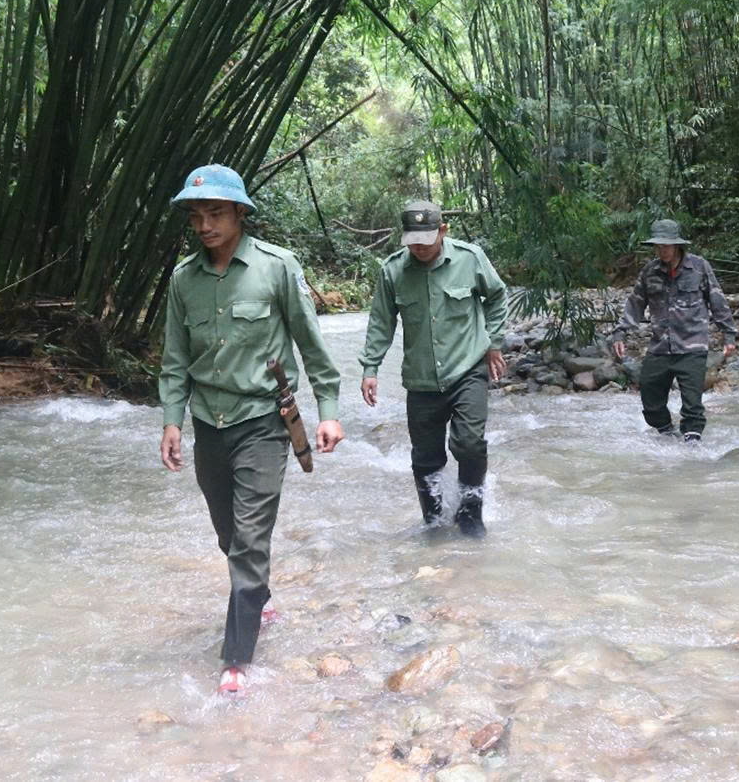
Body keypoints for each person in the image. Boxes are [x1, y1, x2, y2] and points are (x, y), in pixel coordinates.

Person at [158, 163, 344, 698]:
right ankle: (258, 599)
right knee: (228, 534)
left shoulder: (277, 268)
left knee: (249, 539)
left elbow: (312, 346)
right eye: (196, 215)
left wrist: (328, 410)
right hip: (207, 424)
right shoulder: (183, 280)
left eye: (215, 213)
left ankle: (235, 659)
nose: (204, 225)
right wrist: (171, 421)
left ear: (240, 212)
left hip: (263, 422)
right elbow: (174, 362)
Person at [359, 200, 508, 537]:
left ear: (443, 230)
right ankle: (434, 518)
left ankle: (471, 512)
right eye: (413, 240)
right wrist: (370, 368)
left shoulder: (469, 259)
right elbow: (381, 323)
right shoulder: (393, 271)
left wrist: (493, 342)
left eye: (427, 239)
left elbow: (497, 296)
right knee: (425, 457)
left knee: (469, 443)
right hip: (421, 378)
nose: (420, 247)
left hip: (467, 368)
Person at [610, 218, 738, 443]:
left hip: (692, 346)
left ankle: (692, 445)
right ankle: (667, 434)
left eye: (666, 246)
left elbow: (717, 300)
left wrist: (728, 334)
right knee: (649, 395)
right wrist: (621, 333)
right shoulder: (649, 272)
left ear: (677, 245)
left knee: (692, 403)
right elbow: (636, 303)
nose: (662, 250)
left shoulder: (699, 267)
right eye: (658, 246)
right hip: (660, 346)